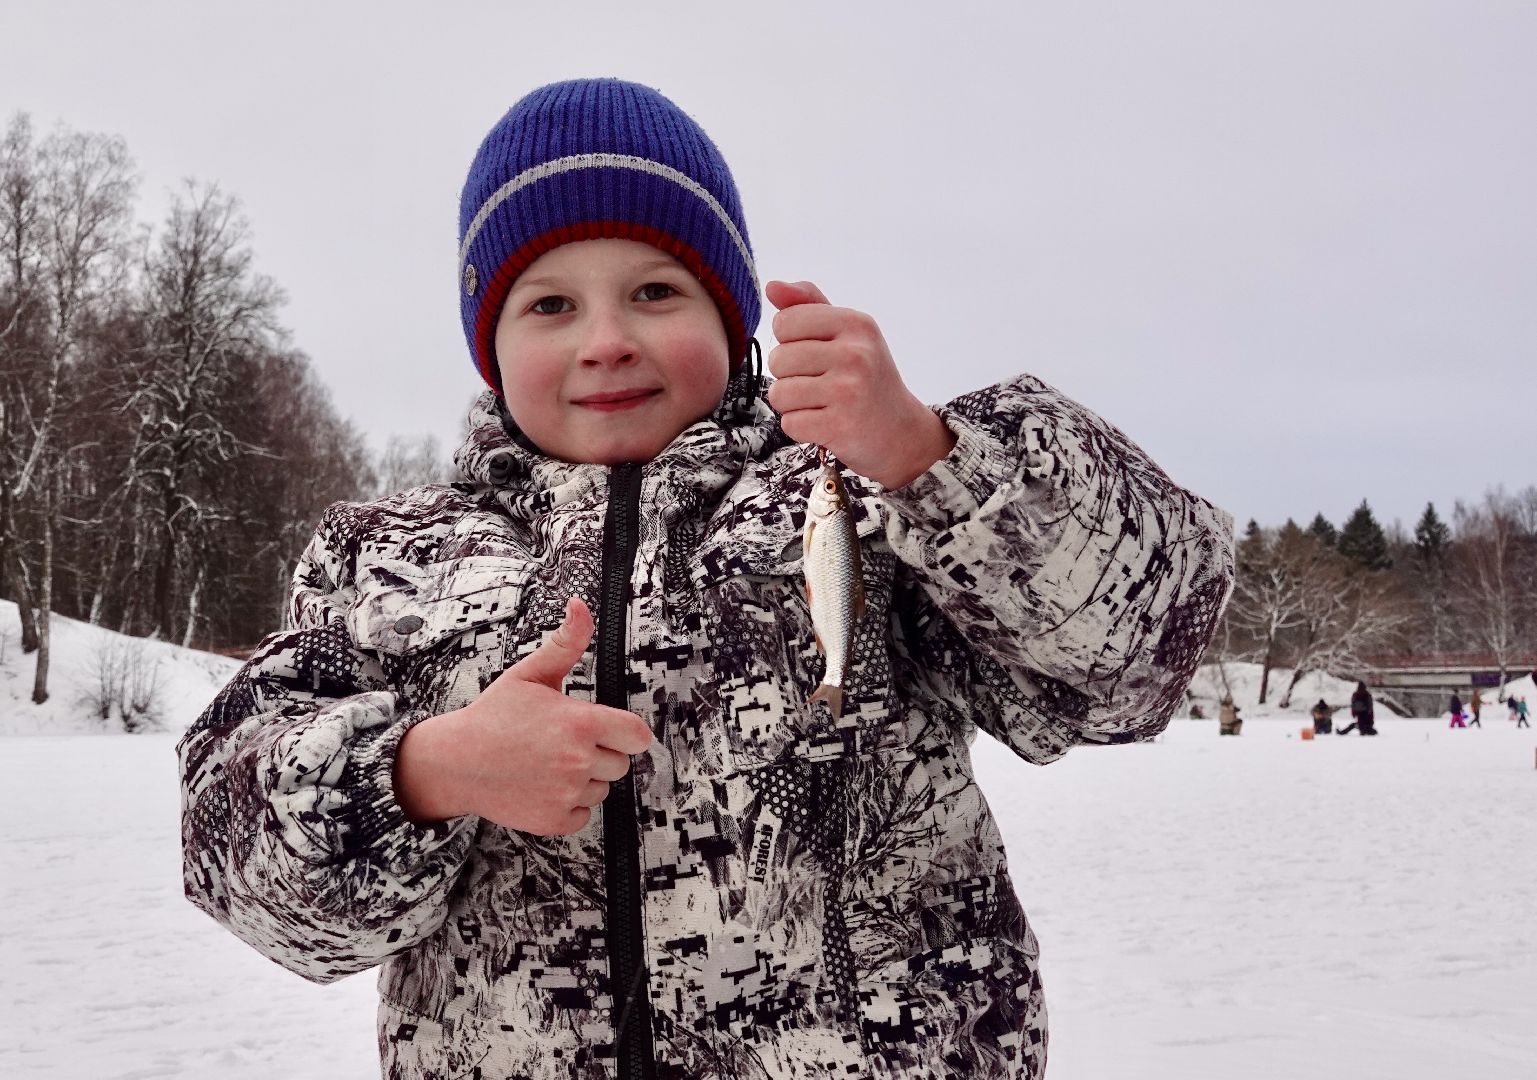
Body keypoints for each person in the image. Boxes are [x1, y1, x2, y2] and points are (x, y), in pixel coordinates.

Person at [175, 79, 1235, 1080]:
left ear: (733, 321)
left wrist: (931, 455)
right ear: (488, 347)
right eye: (548, 305)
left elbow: (1141, 653)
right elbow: (245, 869)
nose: (606, 341)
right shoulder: (387, 559)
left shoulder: (861, 502)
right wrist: (429, 769)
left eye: (654, 290)